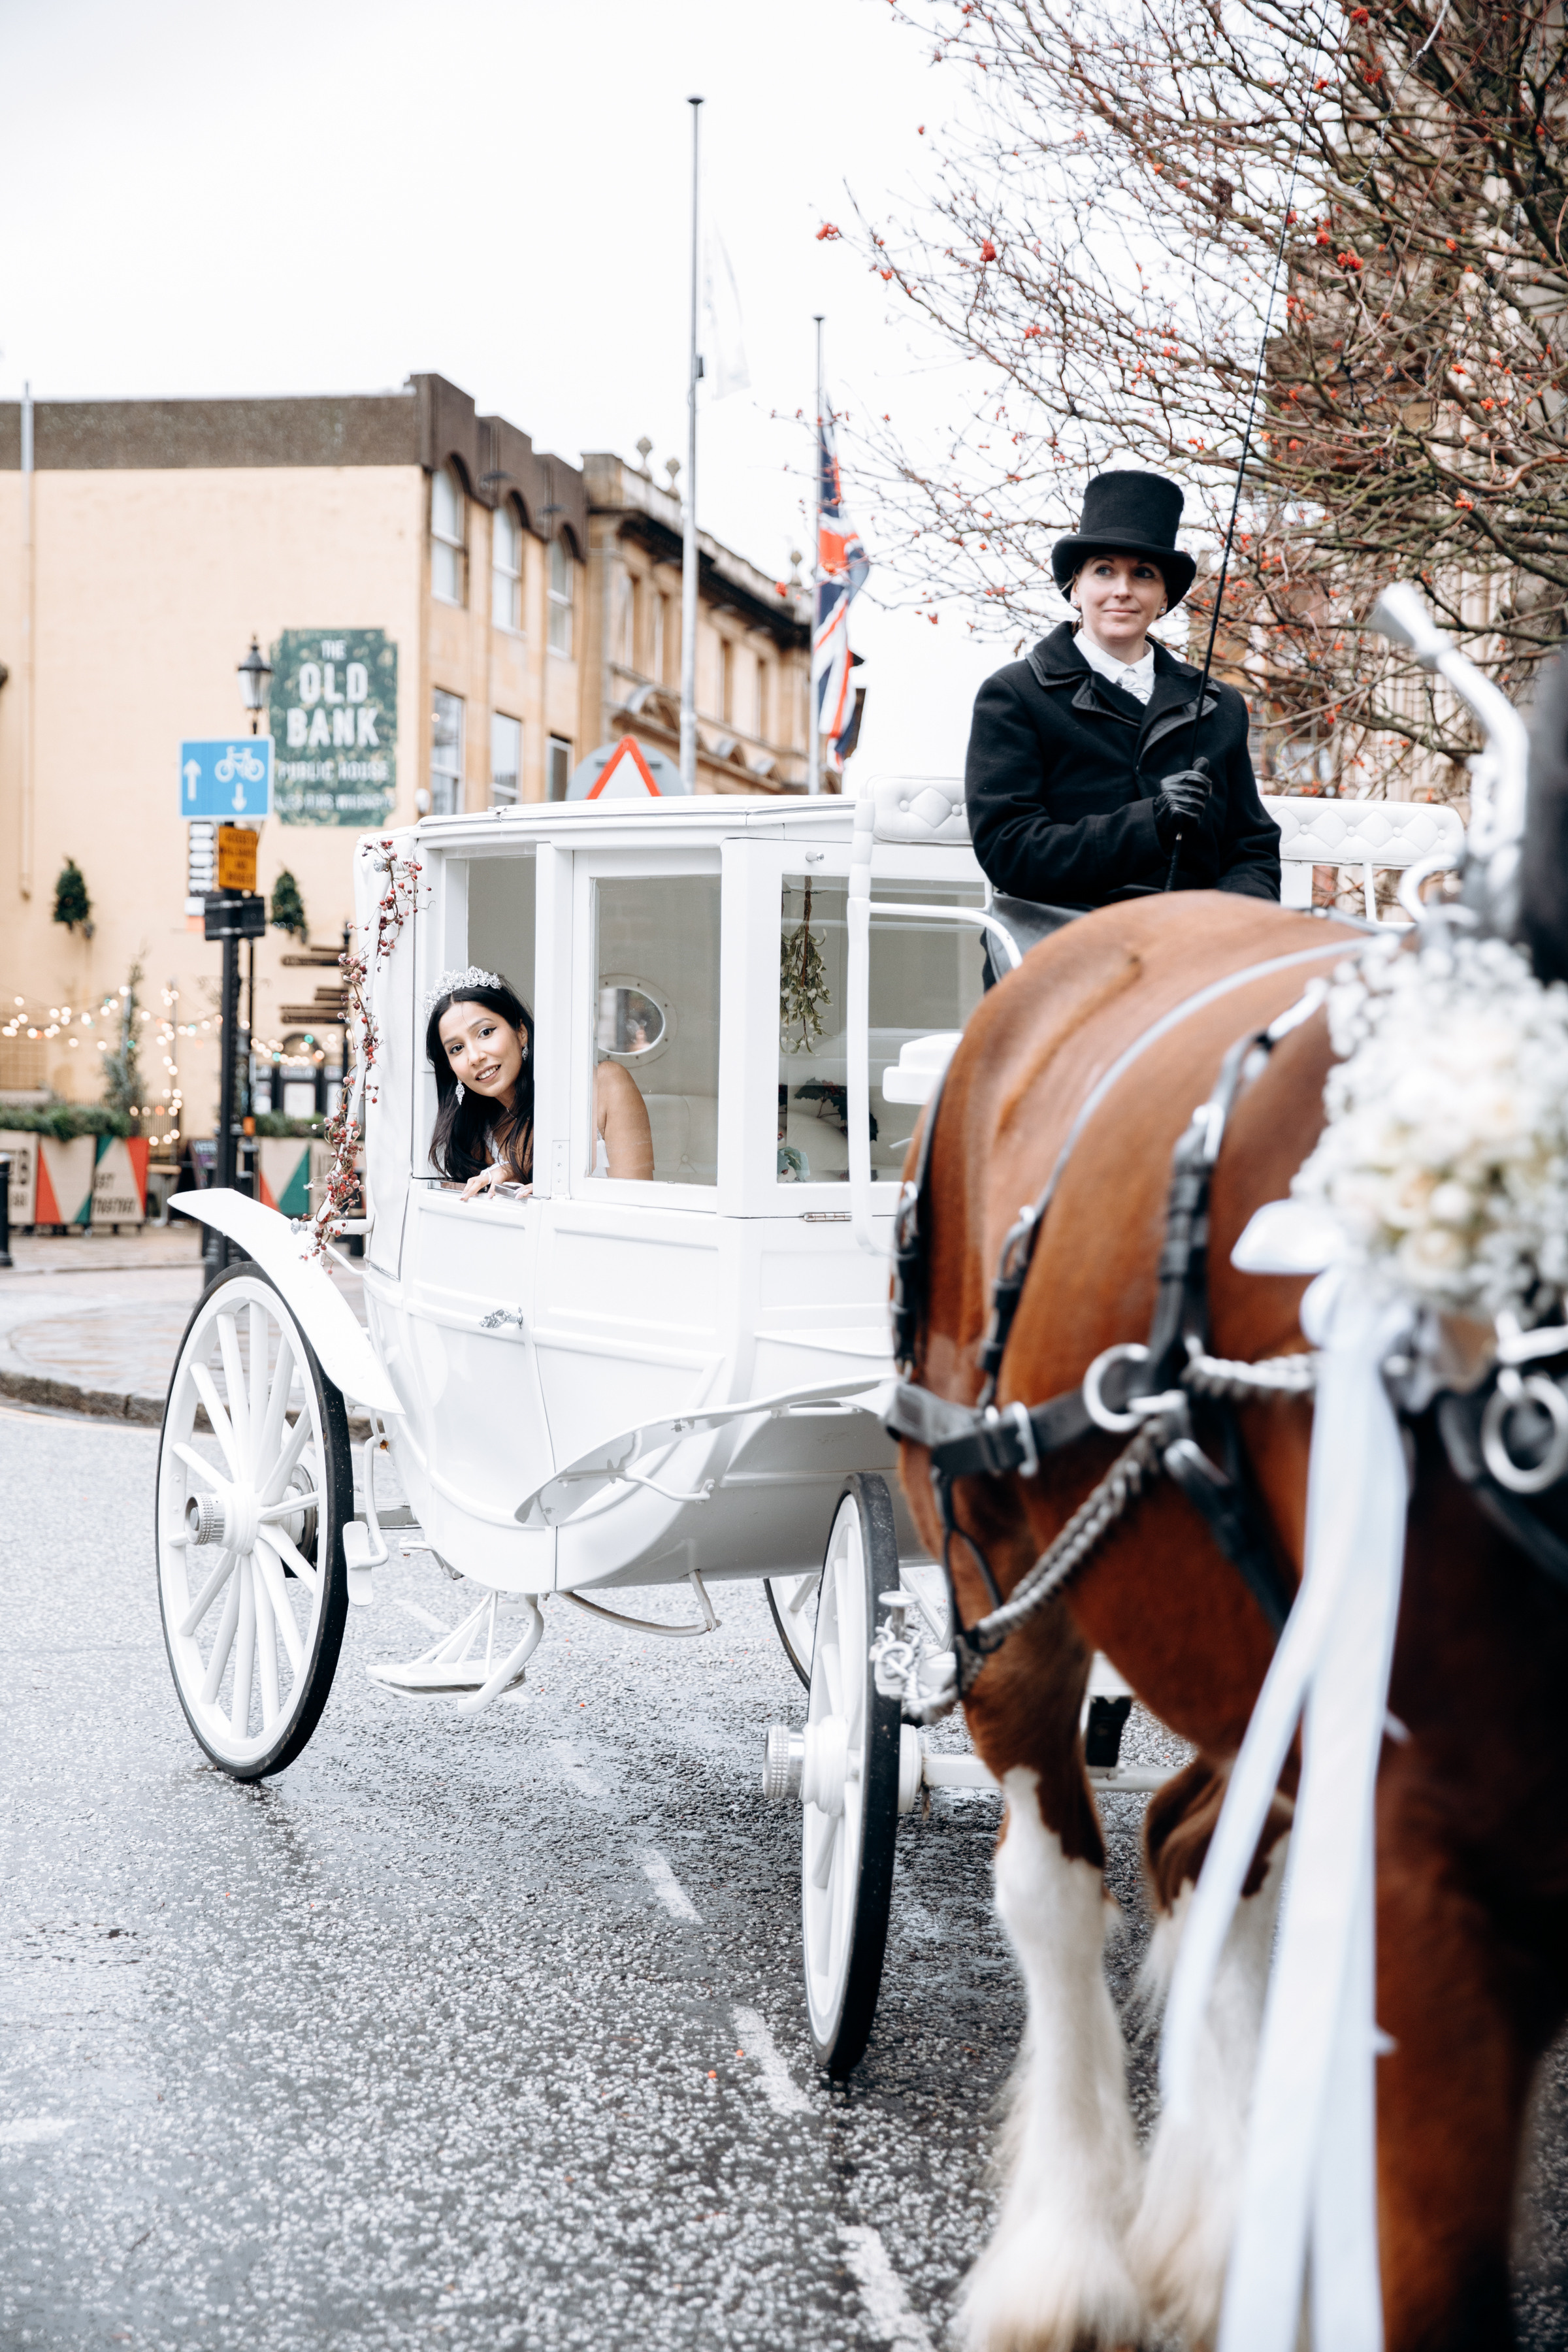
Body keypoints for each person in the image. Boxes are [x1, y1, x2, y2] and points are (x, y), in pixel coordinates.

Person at [964, 470, 1281, 934]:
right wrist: (1150, 823)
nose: (1123, 590)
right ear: (1075, 587)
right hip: (1063, 936)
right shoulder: (1015, 696)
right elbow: (1010, 851)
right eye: (1104, 570)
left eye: (1143, 574)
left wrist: (1227, 926)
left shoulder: (1220, 706)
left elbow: (1251, 849)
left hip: (1193, 942)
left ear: (1165, 596)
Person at [426, 968, 653, 1200]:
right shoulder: (477, 1131)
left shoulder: (604, 1086)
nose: (474, 1057)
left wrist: (559, 1194)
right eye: (457, 1048)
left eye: (485, 1032)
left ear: (521, 1032)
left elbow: (639, 1204)